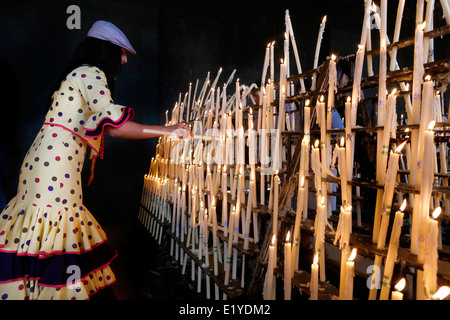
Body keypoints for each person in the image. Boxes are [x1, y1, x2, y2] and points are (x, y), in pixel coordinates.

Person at [0, 20, 191, 300]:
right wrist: (168, 130)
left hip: (45, 163)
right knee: (56, 226)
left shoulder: (77, 74)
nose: (124, 59)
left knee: (40, 230)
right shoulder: (91, 73)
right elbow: (114, 127)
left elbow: (89, 125)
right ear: (106, 50)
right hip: (55, 165)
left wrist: (87, 164)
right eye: (121, 52)